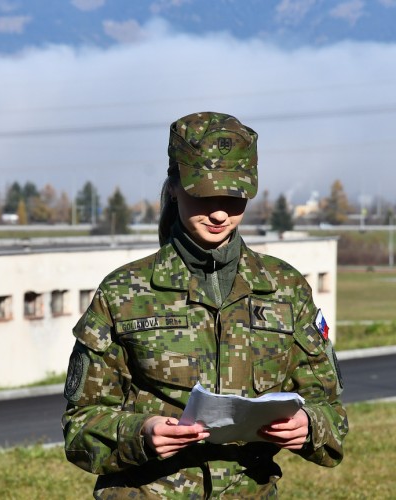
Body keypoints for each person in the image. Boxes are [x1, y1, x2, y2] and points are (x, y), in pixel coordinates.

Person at [62, 111, 348, 498]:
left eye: (233, 198)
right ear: (175, 187)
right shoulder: (122, 293)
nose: (218, 213)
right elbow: (79, 426)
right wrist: (140, 433)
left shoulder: (286, 288)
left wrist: (309, 425)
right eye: (204, 195)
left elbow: (330, 409)